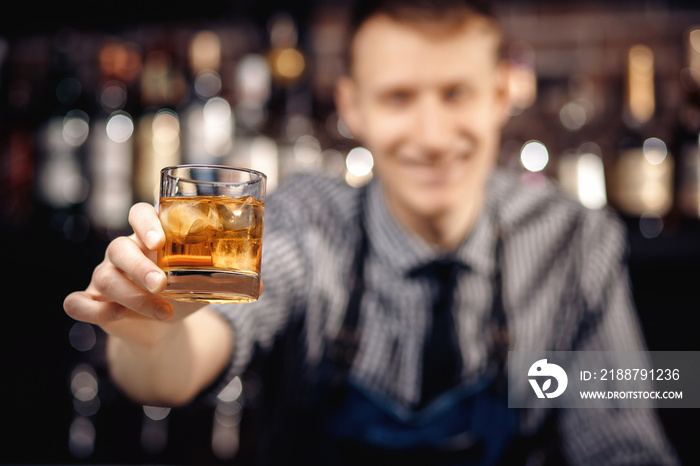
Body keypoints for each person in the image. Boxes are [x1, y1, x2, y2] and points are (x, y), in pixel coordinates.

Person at [64, 0, 680, 464]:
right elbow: (180, 363)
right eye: (399, 98)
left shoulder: (573, 244)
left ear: (501, 94)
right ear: (352, 106)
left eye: (456, 94)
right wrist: (150, 329)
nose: (433, 135)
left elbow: (623, 442)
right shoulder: (308, 222)